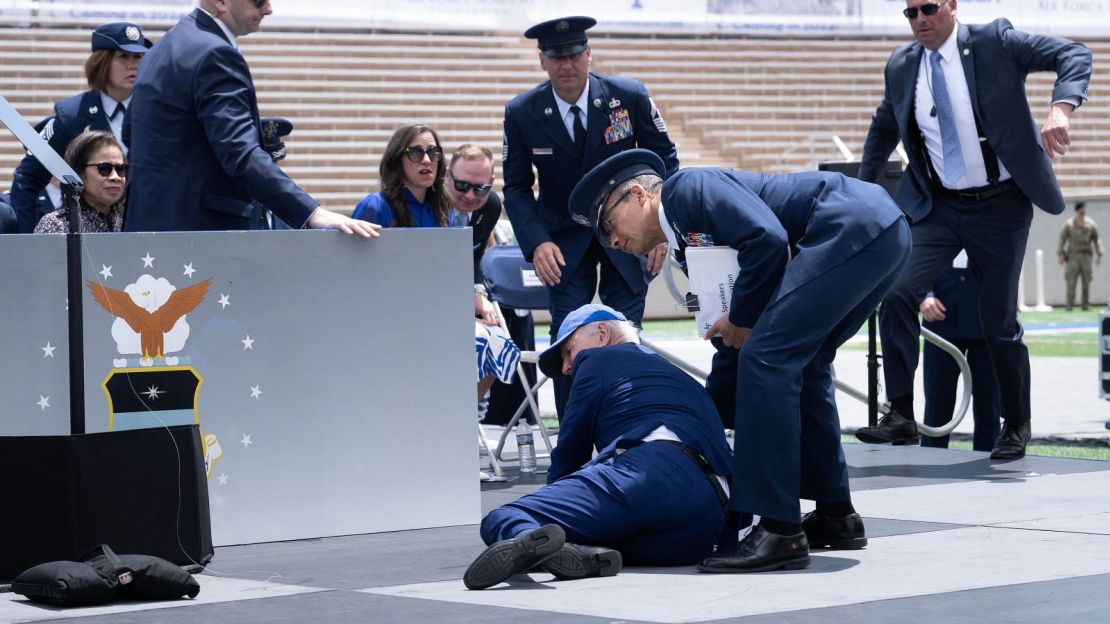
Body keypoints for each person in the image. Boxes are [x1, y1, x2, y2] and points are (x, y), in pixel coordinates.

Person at [568, 149, 911, 573]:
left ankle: (779, 531)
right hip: (878, 229)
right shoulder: (686, 244)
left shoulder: (686, 190)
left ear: (638, 195)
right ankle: (835, 514)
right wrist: (708, 414)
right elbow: (731, 333)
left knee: (768, 359)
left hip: (850, 224)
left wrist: (743, 322)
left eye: (608, 225)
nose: (612, 242)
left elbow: (765, 241)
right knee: (804, 362)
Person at [853, 0, 1092, 461]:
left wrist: (1061, 109)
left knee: (997, 321)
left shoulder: (995, 41)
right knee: (898, 291)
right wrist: (861, 193)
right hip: (938, 206)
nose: (920, 20)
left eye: (928, 8)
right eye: (910, 14)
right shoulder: (902, 66)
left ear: (952, 6)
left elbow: (1074, 54)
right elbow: (884, 127)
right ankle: (901, 413)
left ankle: (1016, 423)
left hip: (1000, 206)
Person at [465, 303, 732, 590]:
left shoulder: (598, 360)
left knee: (504, 518)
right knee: (594, 537)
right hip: (708, 518)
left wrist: (553, 500)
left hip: (651, 471)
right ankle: (576, 554)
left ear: (602, 333)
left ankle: (536, 541)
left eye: (568, 351)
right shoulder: (681, 378)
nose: (567, 368)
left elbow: (570, 449)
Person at [502, 15, 678, 418]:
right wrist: (537, 241)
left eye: (575, 54)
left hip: (632, 234)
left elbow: (666, 161)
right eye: (556, 56)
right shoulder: (522, 112)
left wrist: (661, 228)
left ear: (589, 54)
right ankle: (573, 439)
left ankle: (629, 426)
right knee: (569, 338)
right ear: (542, 61)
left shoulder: (628, 97)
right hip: (562, 242)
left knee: (625, 335)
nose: (567, 64)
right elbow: (514, 188)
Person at [123, 0, 376, 237]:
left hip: (147, 225)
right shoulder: (214, 53)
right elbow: (239, 152)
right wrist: (312, 212)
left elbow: (129, 131)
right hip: (199, 235)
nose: (268, 9)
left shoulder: (163, 47)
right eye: (257, 0)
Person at [8, 22, 151, 234]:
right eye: (123, 57)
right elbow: (27, 179)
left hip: (144, 235)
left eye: (138, 57)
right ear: (102, 63)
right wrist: (28, 241)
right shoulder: (73, 115)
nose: (133, 65)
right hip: (88, 237)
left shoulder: (155, 112)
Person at [445, 144, 539, 425]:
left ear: (491, 184)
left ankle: (458, 418)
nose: (470, 195)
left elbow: (472, 257)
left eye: (480, 188)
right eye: (462, 186)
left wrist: (477, 294)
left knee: (500, 342)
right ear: (446, 177)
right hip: (427, 303)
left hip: (458, 296)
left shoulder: (491, 205)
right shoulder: (429, 203)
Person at [920, 262, 1002, 451]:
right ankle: (930, 465)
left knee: (989, 409)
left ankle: (986, 465)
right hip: (940, 323)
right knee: (936, 409)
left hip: (986, 321)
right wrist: (924, 294)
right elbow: (920, 257)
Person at [353, 124, 457, 228]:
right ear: (397, 160)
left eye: (433, 152)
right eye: (415, 152)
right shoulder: (375, 206)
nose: (427, 160)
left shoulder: (443, 210)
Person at [32, 130, 126, 233]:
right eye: (104, 168)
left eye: (120, 169)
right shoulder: (57, 226)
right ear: (79, 173)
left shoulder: (131, 222)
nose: (115, 177)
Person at [1057, 201, 1103, 311]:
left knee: (1086, 281)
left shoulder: (1090, 224)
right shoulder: (1069, 224)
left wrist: (1099, 254)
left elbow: (1097, 239)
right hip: (1073, 256)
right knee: (1071, 281)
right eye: (1081, 208)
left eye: (1084, 208)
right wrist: (1061, 253)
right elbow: (1062, 239)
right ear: (1077, 210)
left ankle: (1085, 304)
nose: (1083, 211)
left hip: (1086, 256)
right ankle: (1069, 305)